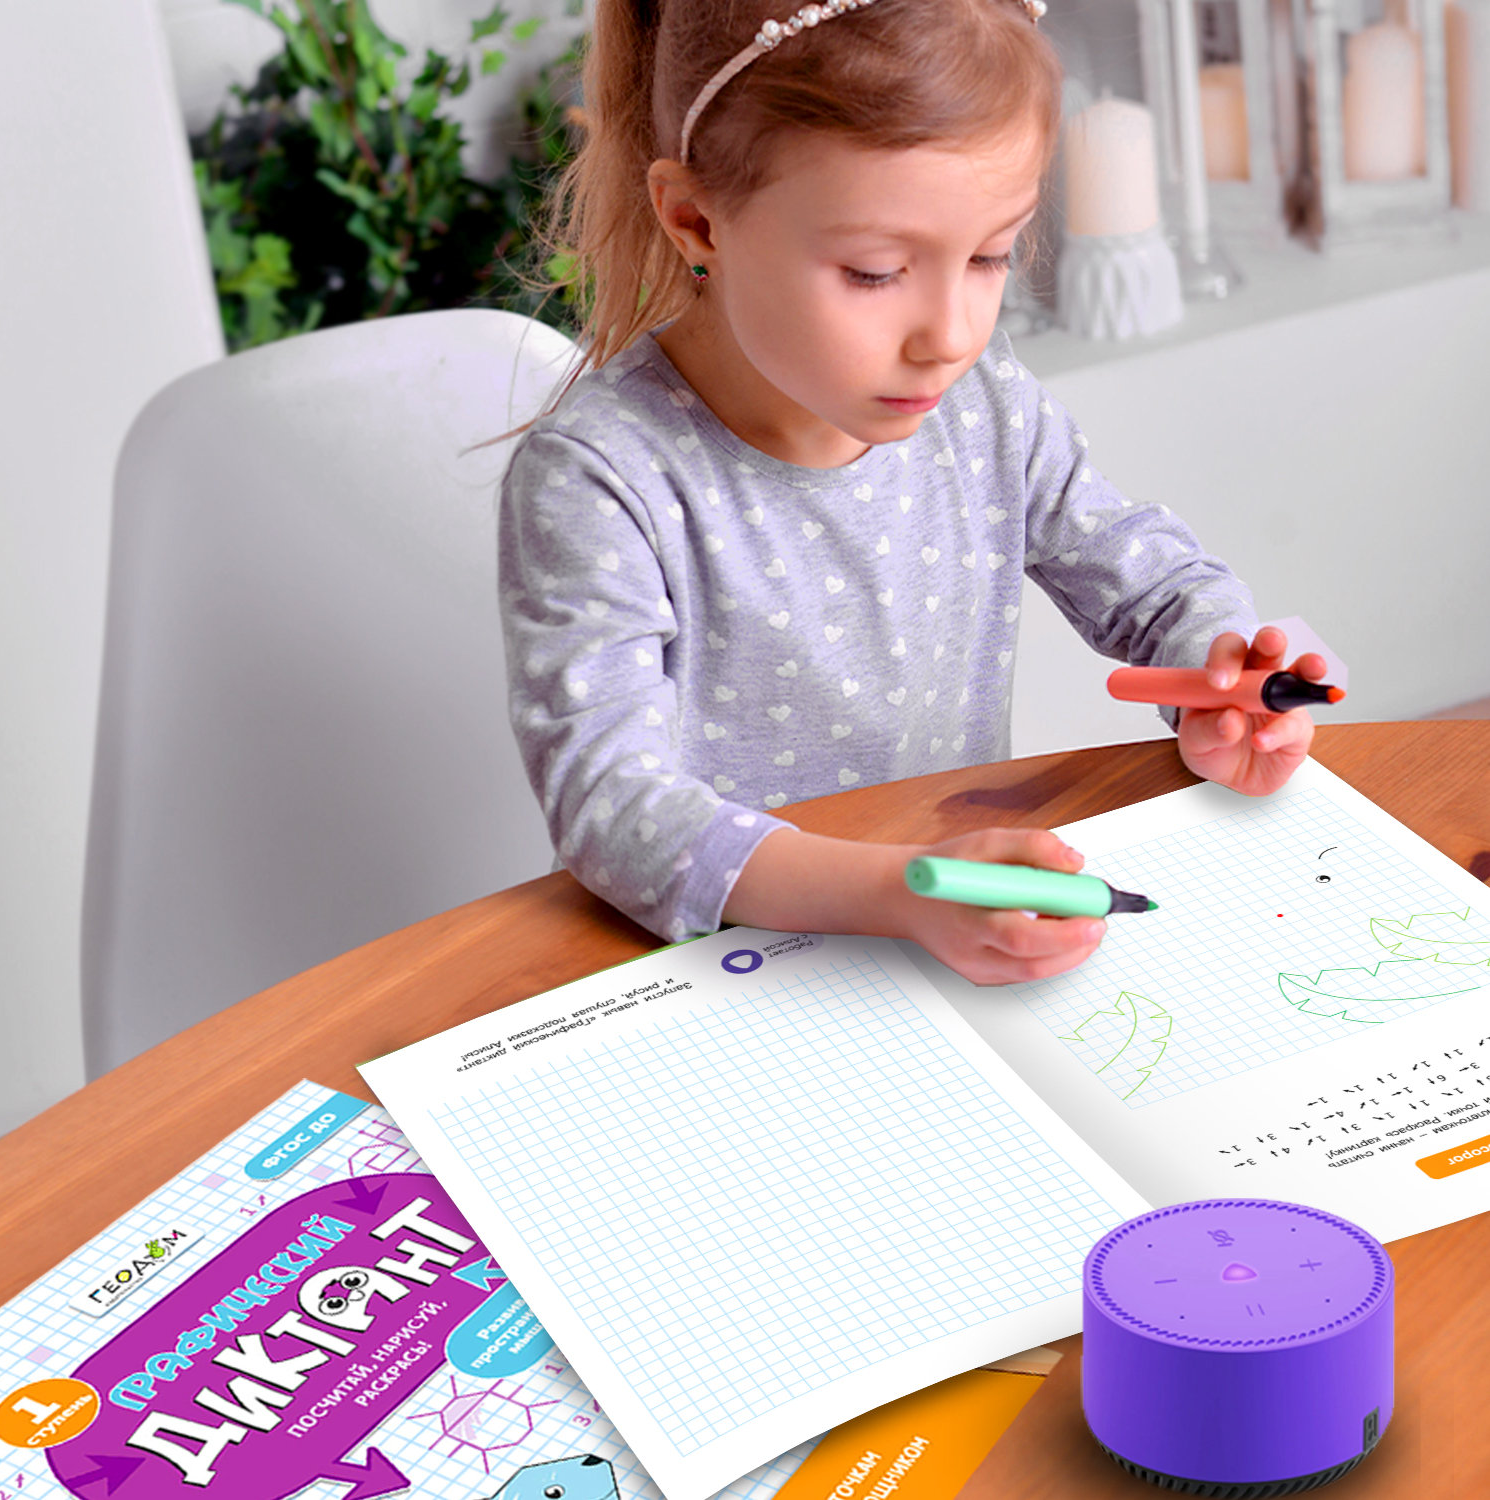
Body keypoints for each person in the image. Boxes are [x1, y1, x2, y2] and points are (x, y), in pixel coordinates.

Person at [498, 0, 1327, 985]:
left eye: (989, 256)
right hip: (725, 974)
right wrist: (901, 891)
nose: (952, 335)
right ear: (695, 220)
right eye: (876, 272)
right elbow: (614, 807)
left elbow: (1153, 586)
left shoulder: (982, 404)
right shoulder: (601, 477)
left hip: (951, 934)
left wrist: (1222, 679)